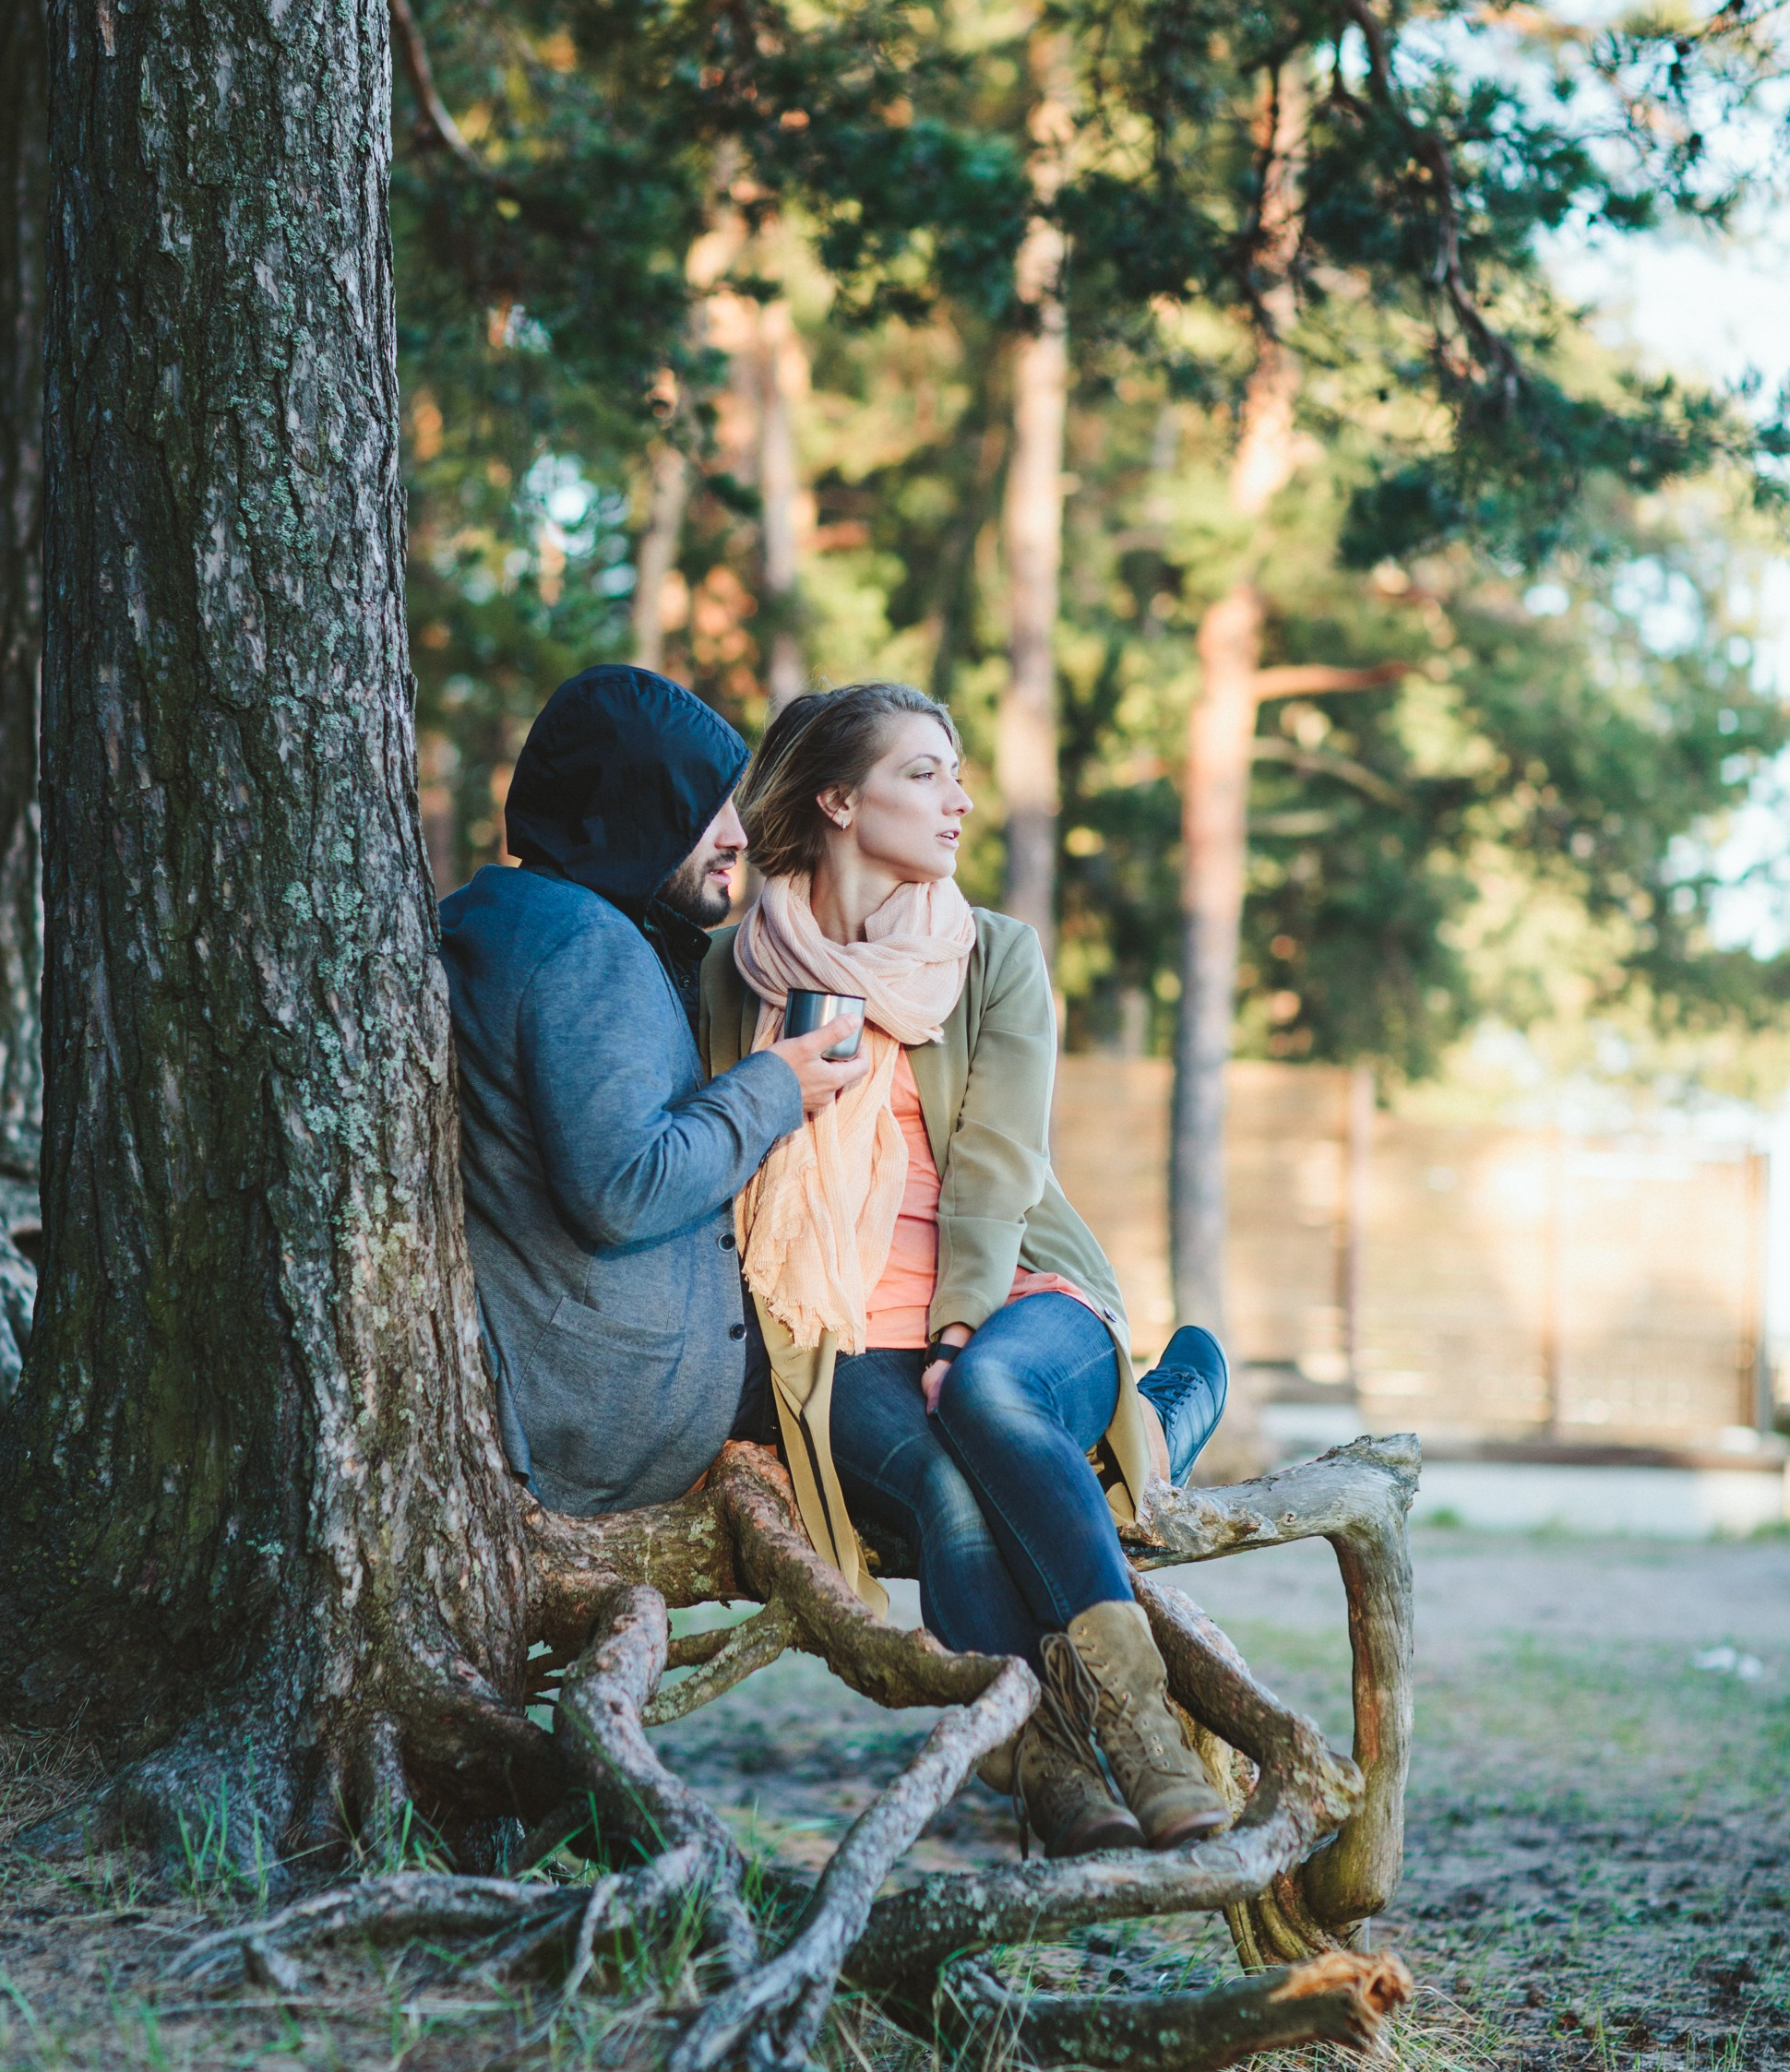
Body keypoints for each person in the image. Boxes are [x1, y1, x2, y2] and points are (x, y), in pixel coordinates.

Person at [702, 680, 1235, 1859]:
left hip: (1015, 1290)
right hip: (834, 1333)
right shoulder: (728, 973)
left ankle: (1139, 1730)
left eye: (958, 772)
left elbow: (998, 1163)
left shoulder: (992, 955)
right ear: (838, 801)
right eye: (923, 772)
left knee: (988, 1395)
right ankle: (1045, 1762)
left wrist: (956, 1331)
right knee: (952, 1489)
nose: (960, 799)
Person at [439, 663, 868, 1516]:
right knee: (909, 1388)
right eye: (706, 806)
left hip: (576, 1385)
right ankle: (1129, 1425)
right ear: (636, 804)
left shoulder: (495, 913)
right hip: (619, 1415)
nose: (737, 835)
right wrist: (775, 1087)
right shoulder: (585, 945)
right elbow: (624, 1188)